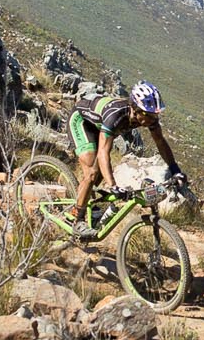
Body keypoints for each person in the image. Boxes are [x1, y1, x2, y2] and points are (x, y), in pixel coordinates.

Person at [68, 81, 183, 236]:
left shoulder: (147, 117)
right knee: (92, 172)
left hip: (98, 126)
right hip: (81, 121)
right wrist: (113, 186)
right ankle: (76, 218)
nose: (152, 119)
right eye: (148, 115)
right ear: (135, 109)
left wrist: (175, 169)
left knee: (100, 173)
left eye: (155, 115)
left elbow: (161, 142)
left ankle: (88, 202)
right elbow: (103, 152)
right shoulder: (116, 114)